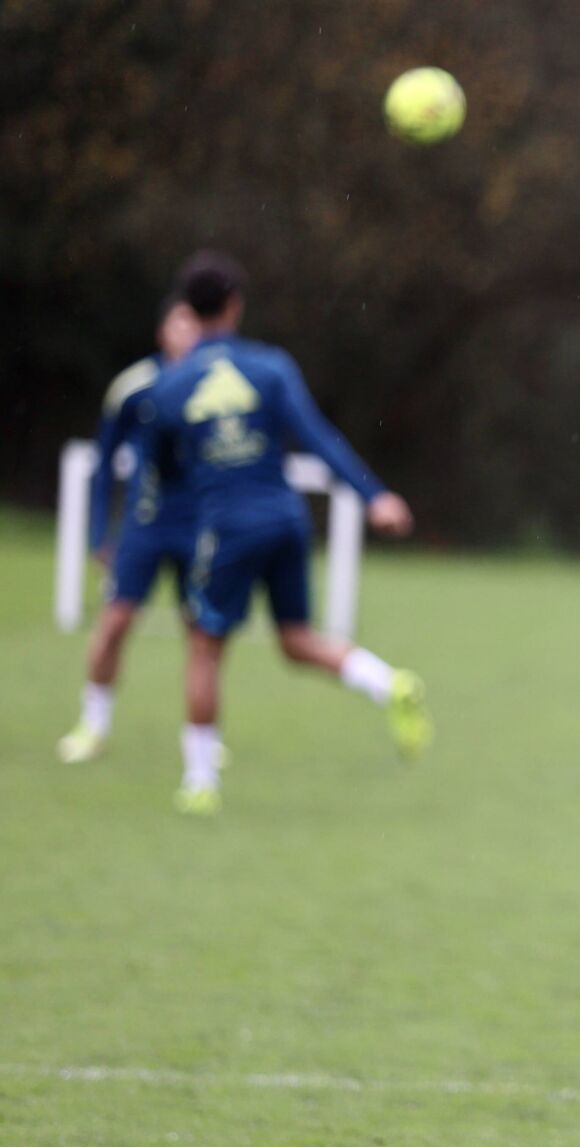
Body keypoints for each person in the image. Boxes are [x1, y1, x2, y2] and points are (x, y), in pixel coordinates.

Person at [135, 251, 433, 815]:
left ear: (189, 310)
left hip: (227, 529)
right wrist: (374, 496)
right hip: (286, 520)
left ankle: (200, 781)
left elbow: (160, 473)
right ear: (234, 306)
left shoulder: (169, 389)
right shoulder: (270, 368)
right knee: (296, 641)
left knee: (204, 647)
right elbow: (317, 437)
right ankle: (388, 683)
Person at [56, 298, 203, 763]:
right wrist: (100, 532)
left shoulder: (215, 384)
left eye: (194, 325)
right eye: (178, 324)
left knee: (202, 634)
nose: (187, 334)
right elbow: (104, 464)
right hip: (145, 525)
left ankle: (202, 736)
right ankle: (93, 725)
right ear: (162, 331)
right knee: (116, 623)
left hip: (198, 529)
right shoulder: (134, 387)